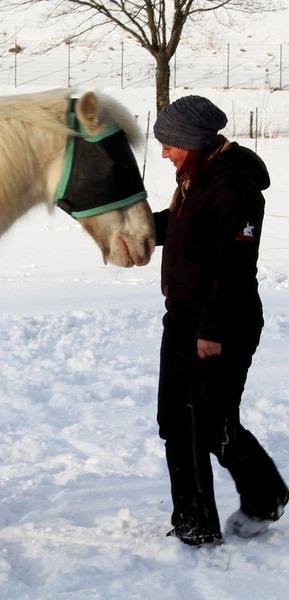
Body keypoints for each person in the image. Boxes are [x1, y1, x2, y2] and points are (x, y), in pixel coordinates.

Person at [152, 95, 289, 547]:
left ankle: (266, 494)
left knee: (211, 422)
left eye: (169, 143)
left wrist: (212, 331)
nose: (165, 151)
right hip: (182, 318)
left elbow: (235, 265)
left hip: (223, 324)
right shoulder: (197, 180)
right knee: (174, 420)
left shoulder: (234, 187)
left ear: (191, 141)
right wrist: (119, 223)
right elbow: (176, 226)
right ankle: (194, 520)